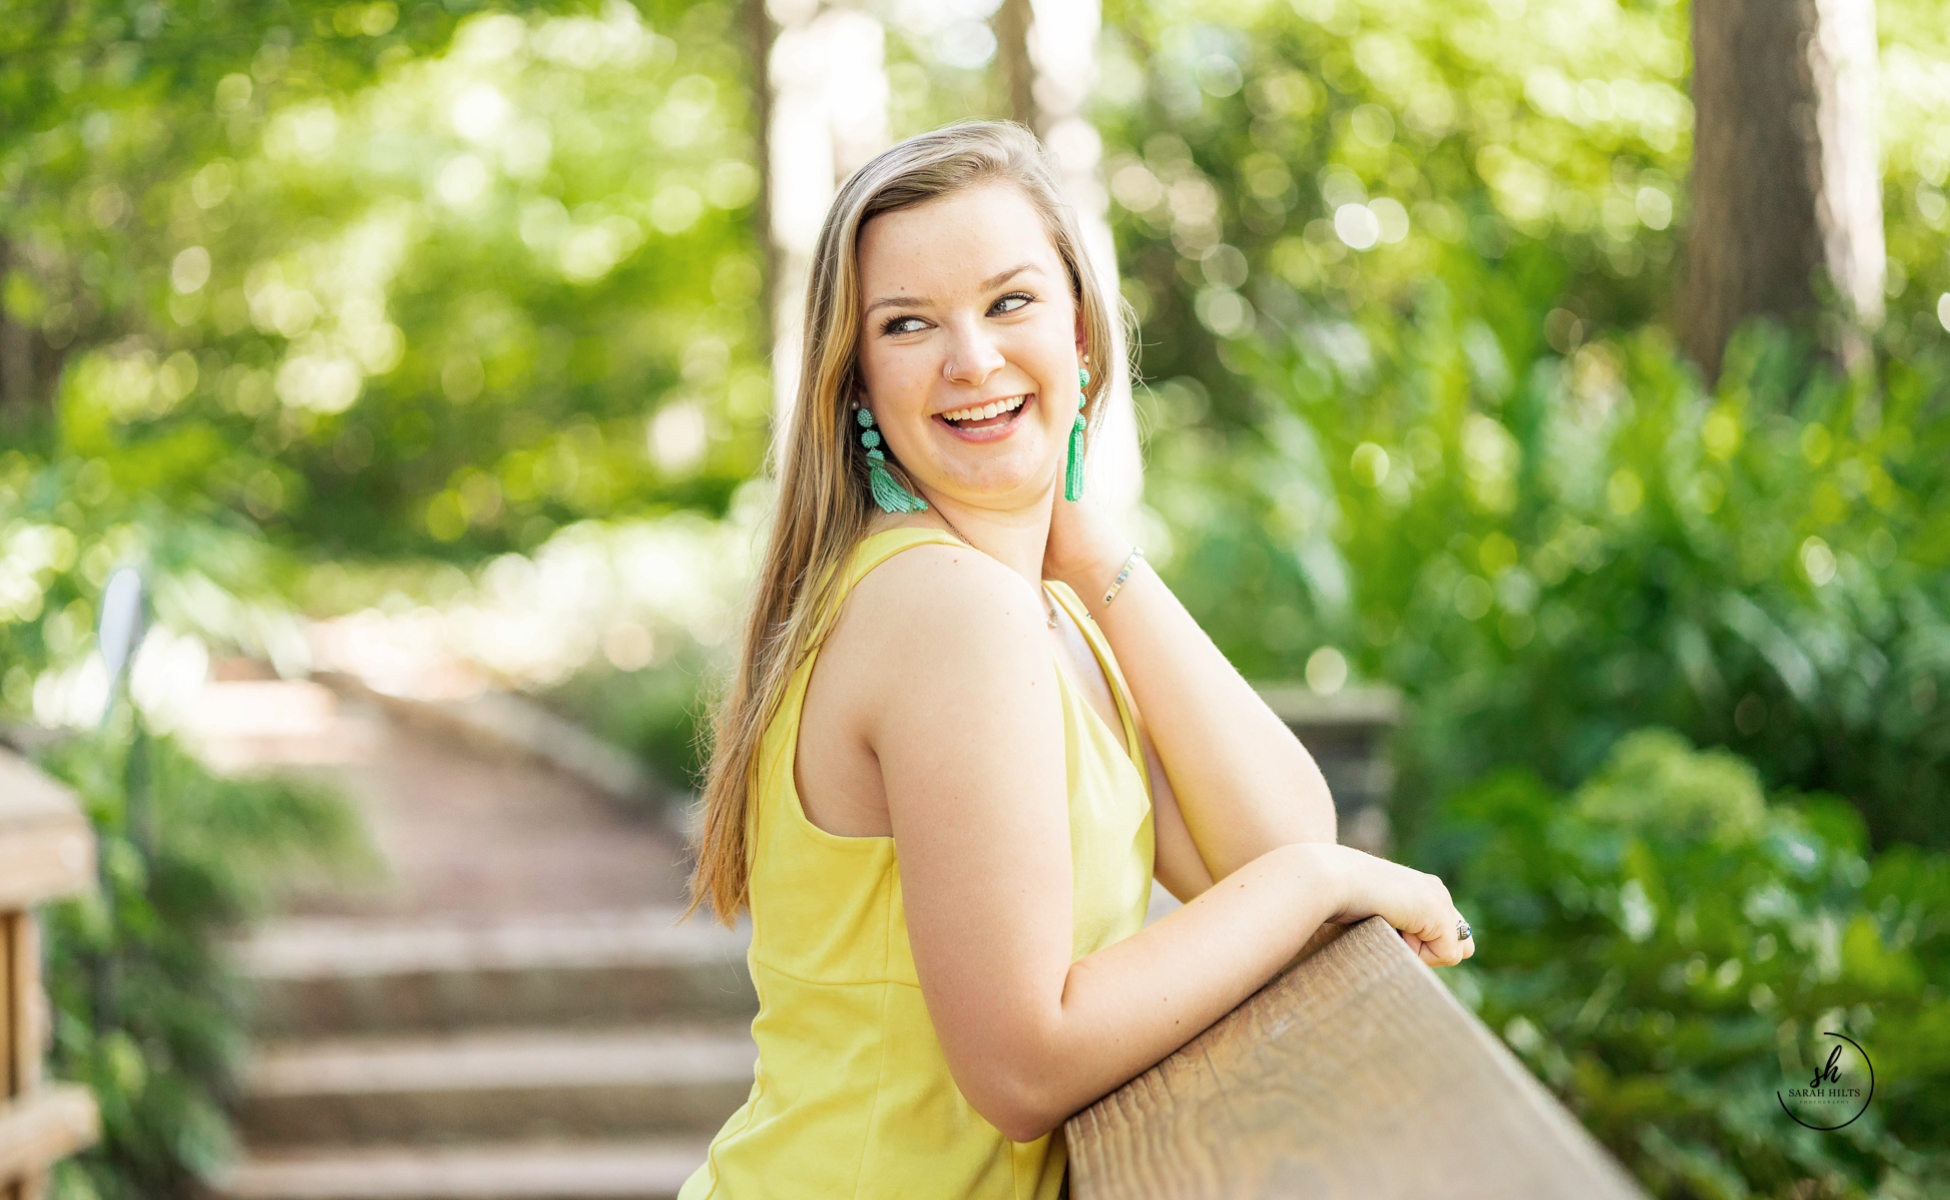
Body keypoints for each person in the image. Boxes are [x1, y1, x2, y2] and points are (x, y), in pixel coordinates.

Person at [677, 121, 1473, 1200]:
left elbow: (1270, 836)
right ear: (858, 382)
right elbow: (1025, 1060)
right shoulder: (948, 613)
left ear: (1084, 332)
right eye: (908, 324)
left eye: (1011, 302)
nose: (973, 358)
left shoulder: (1031, 607)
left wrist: (1093, 550)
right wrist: (1318, 882)